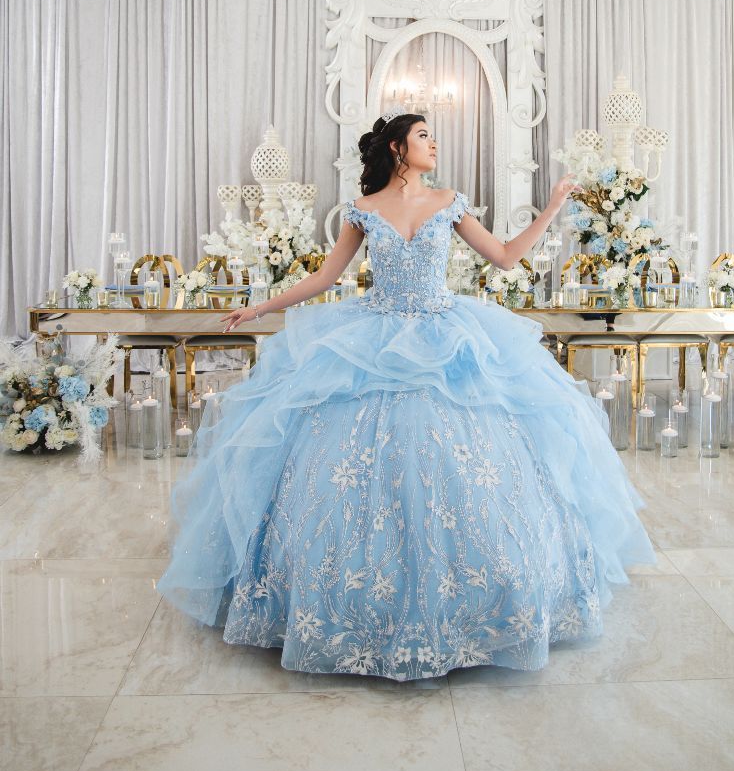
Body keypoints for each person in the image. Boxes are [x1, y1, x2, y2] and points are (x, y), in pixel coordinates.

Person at [157, 108, 656, 679]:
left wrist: (553, 208)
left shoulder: (451, 202)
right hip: (373, 339)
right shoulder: (362, 212)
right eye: (423, 136)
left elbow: (506, 257)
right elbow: (325, 279)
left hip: (447, 337)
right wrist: (259, 308)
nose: (434, 144)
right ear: (397, 148)